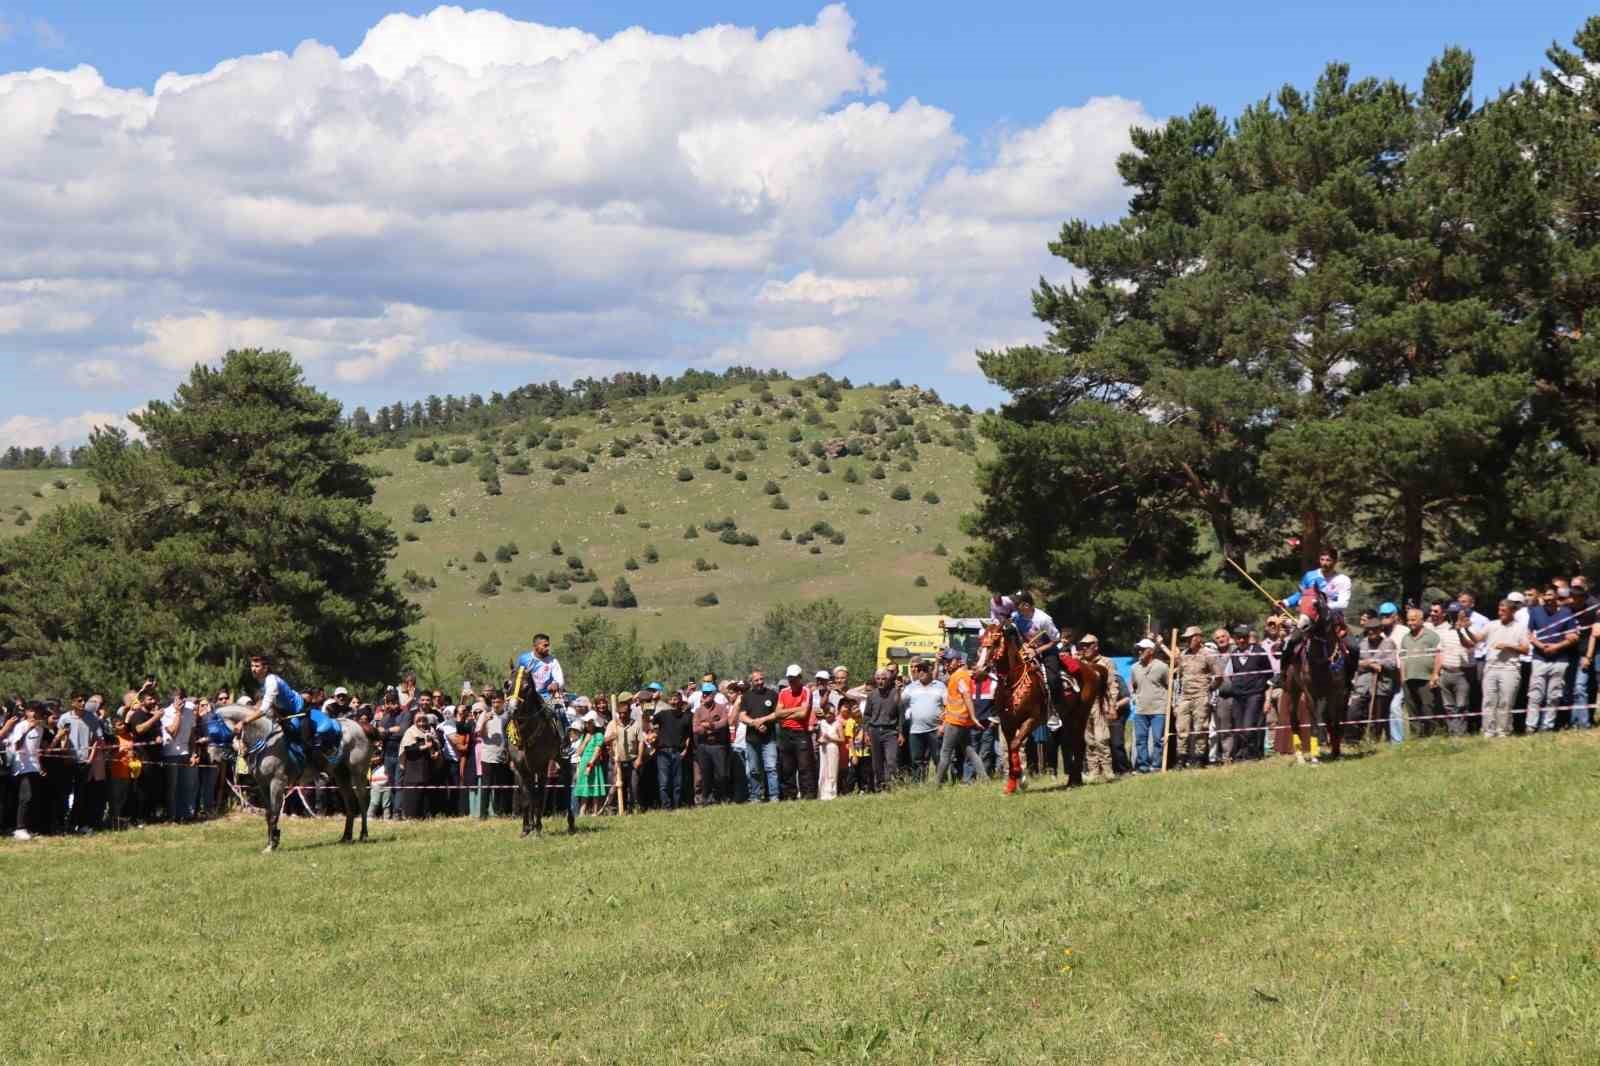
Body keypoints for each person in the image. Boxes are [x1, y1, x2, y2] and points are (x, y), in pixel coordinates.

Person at [1527, 585, 1578, 733]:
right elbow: (1529, 634)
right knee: (1535, 694)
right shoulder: (1535, 612)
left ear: (1556, 597)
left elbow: (1572, 637)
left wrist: (1557, 647)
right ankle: (1531, 726)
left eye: (1551, 596)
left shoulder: (1567, 613)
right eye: (1545, 596)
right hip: (1539, 658)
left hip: (1560, 659)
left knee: (1553, 695)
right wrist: (1541, 645)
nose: (1548, 599)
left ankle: (1547, 726)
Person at [1480, 599, 1530, 739]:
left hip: (1510, 669)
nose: (1500, 613)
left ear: (1512, 611)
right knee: (1488, 701)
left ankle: (1503, 731)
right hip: (1490, 668)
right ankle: (1488, 731)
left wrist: (1509, 647)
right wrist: (1463, 630)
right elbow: (1474, 639)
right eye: (1499, 610)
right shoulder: (1491, 625)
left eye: (1503, 610)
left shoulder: (1520, 628)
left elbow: (1526, 649)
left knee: (1506, 701)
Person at [935, 651, 986, 785]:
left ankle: (937, 784)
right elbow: (955, 699)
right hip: (961, 721)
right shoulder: (957, 675)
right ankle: (985, 780)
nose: (947, 664)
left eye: (950, 661)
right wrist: (946, 711)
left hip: (955, 722)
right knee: (970, 751)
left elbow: (967, 696)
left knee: (945, 753)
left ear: (958, 661)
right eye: (946, 661)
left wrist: (974, 717)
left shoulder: (960, 676)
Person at [1078, 636, 1123, 782]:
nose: (1084, 648)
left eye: (1087, 645)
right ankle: (1093, 771)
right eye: (1082, 646)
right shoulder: (1080, 663)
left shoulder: (1106, 662)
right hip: (1084, 705)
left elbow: (1112, 685)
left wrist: (1112, 705)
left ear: (1095, 646)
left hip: (1100, 702)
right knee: (1089, 740)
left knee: (1101, 738)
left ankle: (1107, 771)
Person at [1174, 626, 1217, 768]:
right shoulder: (1183, 655)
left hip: (1201, 695)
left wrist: (1210, 688)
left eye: (1190, 638)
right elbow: (1178, 677)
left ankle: (1199, 758)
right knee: (1181, 728)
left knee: (1200, 728)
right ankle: (1181, 758)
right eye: (1186, 639)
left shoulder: (1208, 654)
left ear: (1198, 638)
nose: (1188, 641)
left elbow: (1219, 675)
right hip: (1185, 696)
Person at [1395, 608, 1442, 740]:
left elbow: (1439, 655)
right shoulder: (1406, 638)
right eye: (1408, 620)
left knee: (1428, 708)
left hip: (1426, 678)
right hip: (1409, 679)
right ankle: (1416, 737)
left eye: (1413, 619)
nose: (1410, 623)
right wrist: (1403, 678)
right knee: (1412, 710)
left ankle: (1431, 736)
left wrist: (1435, 674)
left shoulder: (1432, 636)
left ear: (1421, 620)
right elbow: (1402, 658)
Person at [773, 665, 817, 801]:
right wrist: (795, 710)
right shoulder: (783, 692)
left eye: (794, 679)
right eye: (789, 679)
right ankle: (789, 795)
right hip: (785, 732)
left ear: (800, 678)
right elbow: (777, 713)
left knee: (804, 766)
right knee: (787, 767)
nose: (791, 682)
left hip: (800, 732)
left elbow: (803, 714)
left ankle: (808, 794)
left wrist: (786, 712)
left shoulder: (806, 691)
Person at [739, 668, 781, 803]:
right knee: (754, 769)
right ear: (751, 682)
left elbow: (777, 714)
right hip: (752, 739)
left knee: (771, 768)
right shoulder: (746, 696)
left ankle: (773, 796)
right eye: (756, 680)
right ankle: (756, 796)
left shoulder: (772, 694)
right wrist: (754, 723)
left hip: (769, 739)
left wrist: (763, 720)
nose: (760, 682)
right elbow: (742, 716)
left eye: (761, 679)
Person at [4, 701, 45, 839]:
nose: (34, 714)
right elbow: (17, 746)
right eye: (31, 711)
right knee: (25, 798)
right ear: (26, 712)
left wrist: (41, 766)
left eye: (37, 711)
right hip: (22, 767)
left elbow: (36, 749)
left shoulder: (40, 728)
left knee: (34, 798)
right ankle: (19, 828)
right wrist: (28, 729)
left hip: (35, 766)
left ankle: (30, 827)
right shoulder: (20, 726)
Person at [1128, 639, 1170, 773]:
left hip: (1159, 708)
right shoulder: (1134, 667)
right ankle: (1143, 766)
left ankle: (1157, 765)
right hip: (1141, 709)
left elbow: (1169, 686)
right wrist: (1134, 697)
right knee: (1140, 740)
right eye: (1138, 649)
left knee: (1158, 739)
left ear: (1151, 651)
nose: (1139, 651)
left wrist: (1170, 704)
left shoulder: (1162, 667)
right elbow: (1133, 686)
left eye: (1143, 649)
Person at [690, 683, 732, 805]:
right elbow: (695, 729)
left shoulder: (721, 708)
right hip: (703, 746)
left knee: (721, 773)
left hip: (718, 745)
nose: (705, 695)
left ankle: (722, 797)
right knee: (705, 773)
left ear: (713, 695)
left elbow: (724, 723)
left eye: (708, 693)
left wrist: (711, 725)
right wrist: (709, 727)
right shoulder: (698, 710)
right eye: (704, 693)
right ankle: (706, 798)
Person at [651, 690, 693, 811]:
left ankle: (677, 807)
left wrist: (685, 750)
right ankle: (666, 807)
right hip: (663, 752)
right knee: (664, 783)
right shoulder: (663, 714)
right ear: (669, 701)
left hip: (678, 752)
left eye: (677, 699)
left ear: (681, 702)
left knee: (677, 783)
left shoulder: (686, 717)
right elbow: (649, 721)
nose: (674, 702)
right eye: (672, 699)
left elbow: (689, 736)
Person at [861, 668, 901, 791]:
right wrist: (866, 732)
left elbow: (900, 714)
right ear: (875, 680)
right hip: (874, 731)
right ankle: (880, 786)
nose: (881, 681)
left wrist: (901, 733)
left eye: (883, 679)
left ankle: (891, 784)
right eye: (878, 679)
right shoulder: (872, 695)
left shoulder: (895, 693)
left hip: (890, 731)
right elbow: (867, 715)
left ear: (888, 679)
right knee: (876, 763)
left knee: (891, 761)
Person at [516, 633, 565, 700]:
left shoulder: (553, 661)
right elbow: (517, 676)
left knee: (559, 709)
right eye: (545, 645)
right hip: (527, 696)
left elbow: (560, 679)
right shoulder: (524, 659)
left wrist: (556, 684)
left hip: (547, 697)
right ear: (535, 646)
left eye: (548, 645)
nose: (548, 648)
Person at [816, 699, 845, 800]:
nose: (829, 715)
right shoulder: (822, 723)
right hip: (823, 748)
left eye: (831, 713)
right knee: (823, 769)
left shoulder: (838, 724)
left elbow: (842, 739)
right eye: (827, 713)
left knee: (832, 770)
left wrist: (831, 738)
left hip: (833, 747)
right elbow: (819, 737)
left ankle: (831, 792)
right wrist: (820, 741)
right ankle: (822, 793)